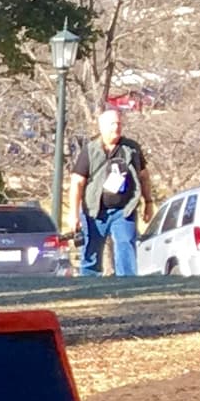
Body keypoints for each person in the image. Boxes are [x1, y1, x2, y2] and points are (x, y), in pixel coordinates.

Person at [71, 109, 154, 277]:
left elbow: (144, 177)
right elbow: (77, 182)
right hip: (95, 211)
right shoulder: (90, 150)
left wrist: (148, 203)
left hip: (124, 210)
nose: (116, 127)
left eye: (119, 124)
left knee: (125, 246)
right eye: (112, 124)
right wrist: (74, 214)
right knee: (91, 254)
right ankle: (87, 290)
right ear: (101, 127)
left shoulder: (132, 148)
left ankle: (126, 289)